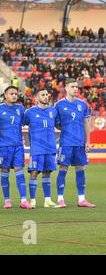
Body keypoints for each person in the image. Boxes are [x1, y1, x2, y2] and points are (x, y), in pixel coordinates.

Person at [54, 78, 96, 208]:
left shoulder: (82, 105)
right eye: (72, 86)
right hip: (66, 143)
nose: (75, 89)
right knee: (63, 169)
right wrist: (67, 130)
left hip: (79, 143)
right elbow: (56, 123)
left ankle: (81, 199)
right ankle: (60, 199)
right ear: (66, 88)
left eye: (76, 87)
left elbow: (86, 123)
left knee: (81, 169)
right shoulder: (59, 105)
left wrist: (87, 141)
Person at [0, 86, 33, 209]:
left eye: (15, 93)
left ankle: (23, 200)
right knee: (5, 172)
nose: (14, 95)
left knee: (19, 171)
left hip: (18, 145)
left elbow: (26, 121)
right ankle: (7, 200)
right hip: (3, 146)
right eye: (11, 93)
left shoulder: (20, 109)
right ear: (5, 95)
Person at [23, 88, 59, 208]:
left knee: (47, 172)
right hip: (37, 148)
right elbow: (22, 124)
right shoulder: (29, 112)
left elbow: (58, 125)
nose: (46, 97)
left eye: (47, 94)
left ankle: (47, 200)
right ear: (37, 98)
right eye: (43, 95)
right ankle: (32, 200)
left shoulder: (53, 111)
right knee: (34, 172)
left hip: (50, 148)